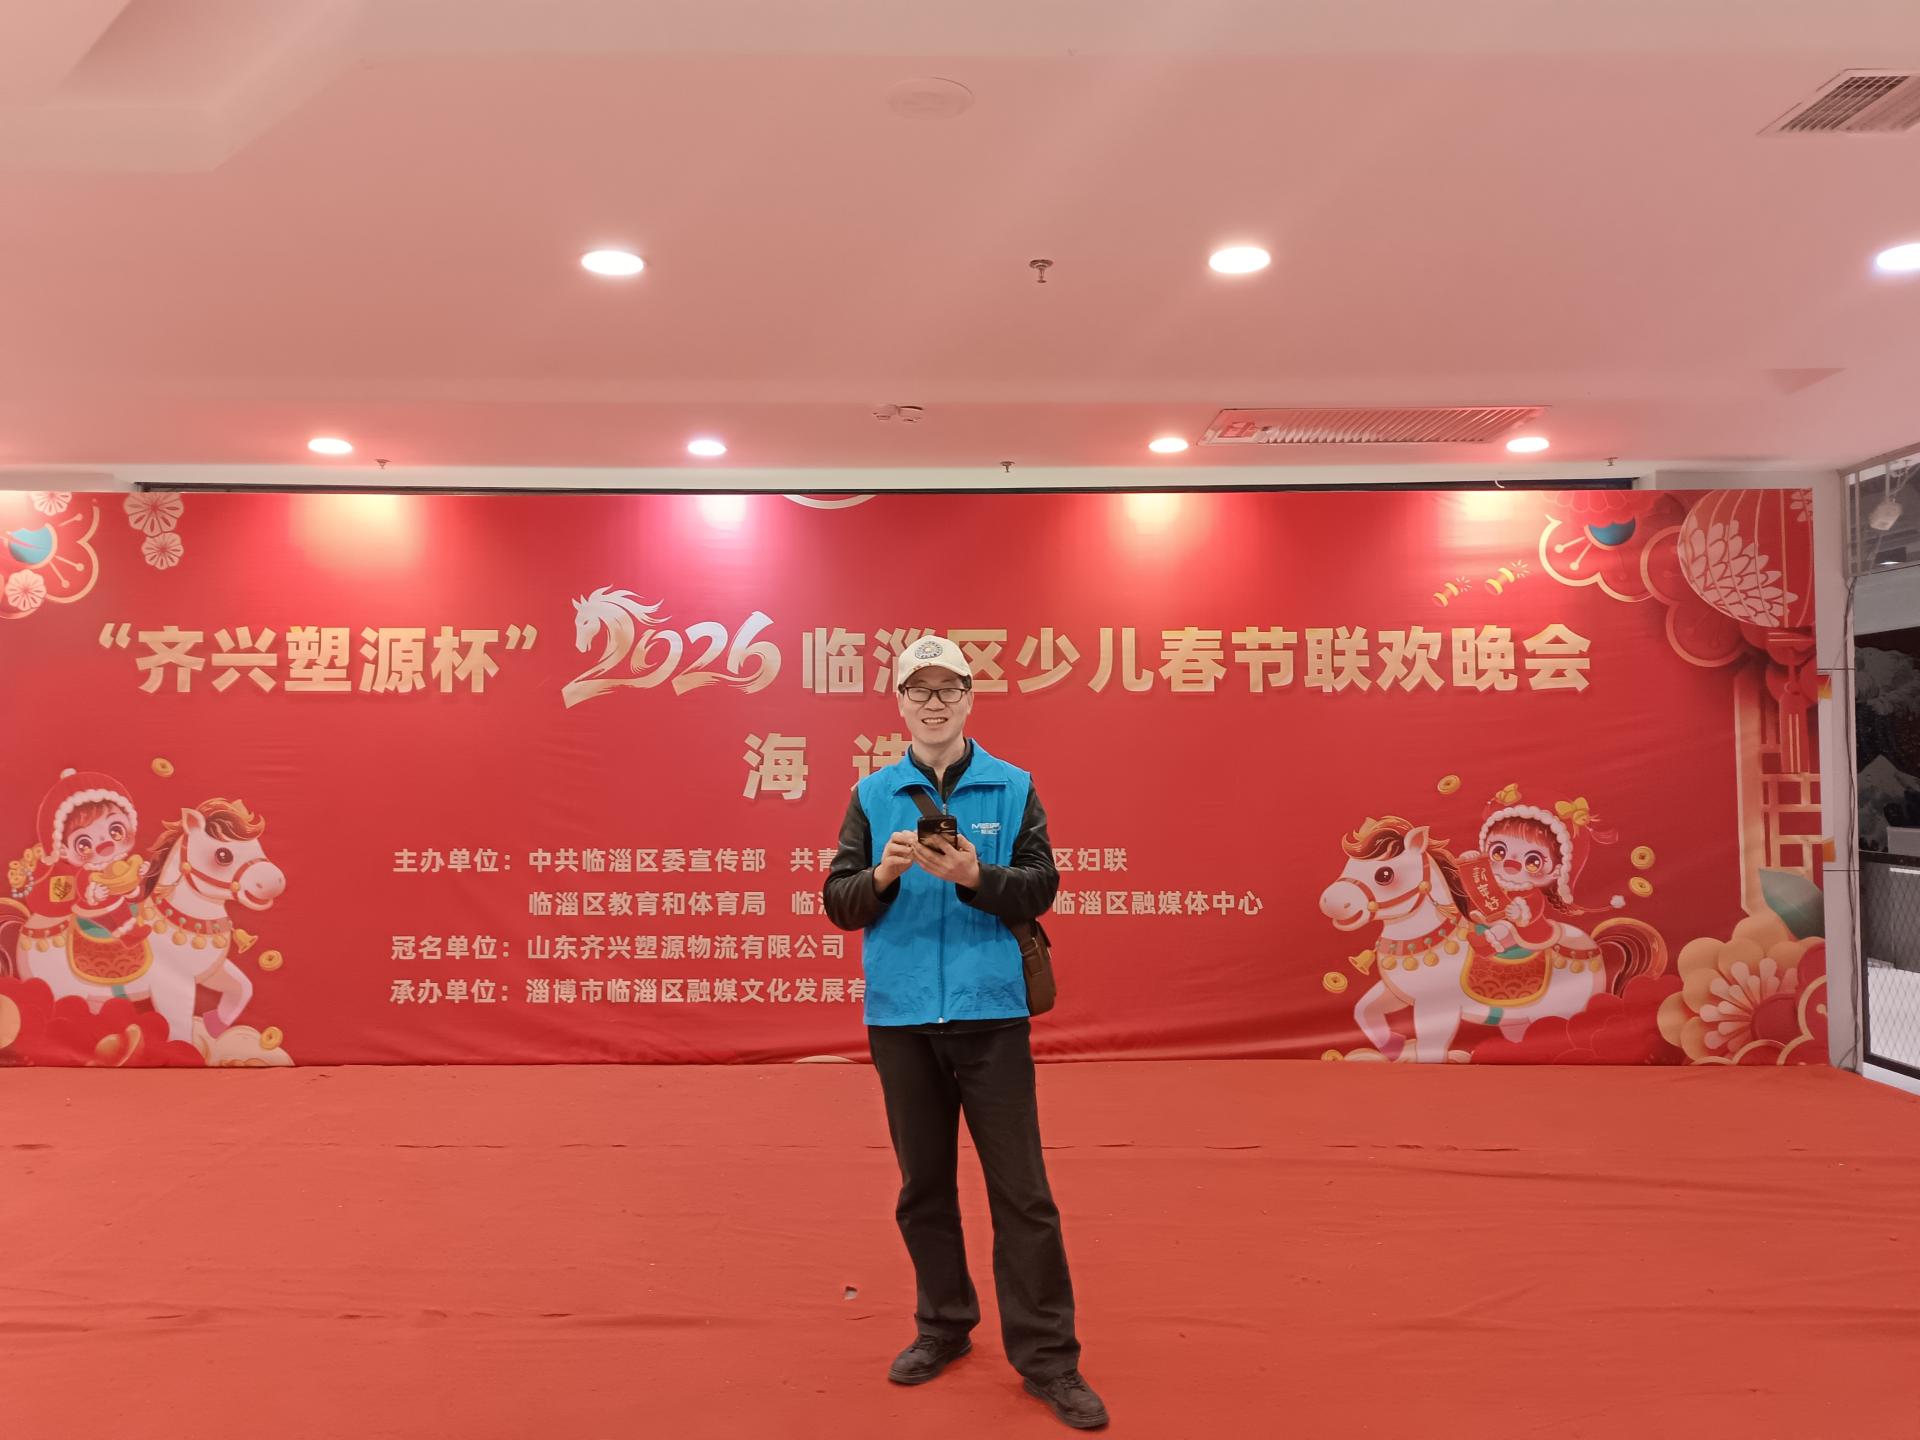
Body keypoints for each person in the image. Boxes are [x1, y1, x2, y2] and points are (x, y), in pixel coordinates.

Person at [822, 635, 1108, 1431]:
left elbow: (1042, 887)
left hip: (992, 1015)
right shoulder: (873, 793)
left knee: (1023, 1195)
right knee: (923, 1189)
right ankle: (943, 1325)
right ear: (900, 703)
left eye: (948, 690)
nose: (934, 704)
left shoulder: (1013, 786)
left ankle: (1049, 1360)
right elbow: (839, 900)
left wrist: (975, 876)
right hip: (902, 1018)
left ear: (970, 699)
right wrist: (883, 874)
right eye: (919, 691)